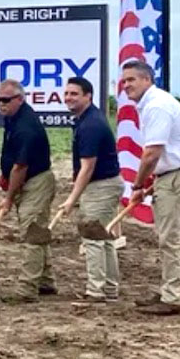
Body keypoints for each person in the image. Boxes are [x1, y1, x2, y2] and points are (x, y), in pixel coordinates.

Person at [121, 60, 180, 316]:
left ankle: (172, 298)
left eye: (132, 80)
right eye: (124, 81)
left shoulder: (157, 106)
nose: (126, 86)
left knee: (170, 237)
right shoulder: (151, 104)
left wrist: (138, 186)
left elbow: (151, 153)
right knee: (166, 235)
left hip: (179, 176)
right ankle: (168, 289)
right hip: (172, 174)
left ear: (147, 80)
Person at [59, 77, 122, 303]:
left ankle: (96, 291)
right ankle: (110, 289)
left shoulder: (91, 125)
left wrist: (71, 199)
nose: (68, 98)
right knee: (103, 238)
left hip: (101, 186)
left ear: (88, 96)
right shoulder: (85, 120)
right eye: (66, 93)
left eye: (74, 94)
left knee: (93, 238)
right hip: (104, 184)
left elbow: (87, 167)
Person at [0, 79, 57, 304]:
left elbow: (20, 167)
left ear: (19, 99)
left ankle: (27, 288)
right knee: (37, 230)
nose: (1, 104)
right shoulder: (13, 118)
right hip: (26, 181)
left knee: (32, 233)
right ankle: (46, 281)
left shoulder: (26, 126)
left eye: (6, 100)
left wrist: (9, 198)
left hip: (36, 182)